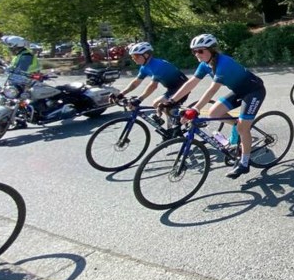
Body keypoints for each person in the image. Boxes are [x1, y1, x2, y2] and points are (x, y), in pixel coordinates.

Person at [159, 34, 266, 179]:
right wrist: (171, 101)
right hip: (238, 91)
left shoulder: (223, 63)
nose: (197, 54)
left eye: (201, 51)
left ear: (212, 50)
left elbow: (212, 90)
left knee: (242, 128)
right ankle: (240, 127)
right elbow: (191, 83)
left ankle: (244, 163)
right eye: (194, 51)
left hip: (254, 91)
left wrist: (195, 109)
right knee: (213, 112)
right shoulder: (205, 64)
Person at [113, 42, 189, 112]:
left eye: (135, 56)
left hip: (183, 87)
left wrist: (139, 100)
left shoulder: (158, 65)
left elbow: (152, 86)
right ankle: (171, 123)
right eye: (132, 56)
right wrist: (121, 94)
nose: (133, 59)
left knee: (159, 103)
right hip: (172, 89)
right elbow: (136, 82)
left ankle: (179, 122)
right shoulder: (144, 67)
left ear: (146, 55)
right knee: (157, 105)